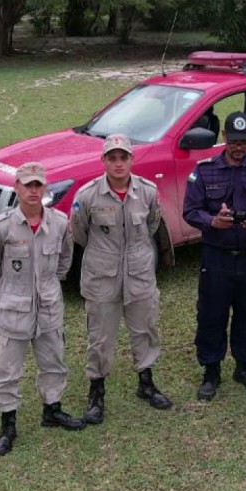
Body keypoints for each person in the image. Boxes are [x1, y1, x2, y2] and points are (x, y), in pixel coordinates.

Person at [0, 161, 85, 456]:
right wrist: (12, 287)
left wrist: (48, 285)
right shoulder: (1, 227)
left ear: (45, 187)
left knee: (53, 363)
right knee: (7, 371)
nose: (33, 190)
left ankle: (52, 410)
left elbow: (65, 261)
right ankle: (8, 424)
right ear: (17, 188)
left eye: (38, 185)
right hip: (14, 310)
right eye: (27, 185)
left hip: (49, 307)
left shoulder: (60, 224)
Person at [71, 134, 173, 425]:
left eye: (123, 157)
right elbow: (79, 233)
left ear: (132, 160)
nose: (118, 164)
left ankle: (146, 382)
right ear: (103, 161)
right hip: (102, 277)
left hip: (140, 274)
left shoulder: (148, 192)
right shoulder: (88, 195)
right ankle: (96, 392)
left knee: (145, 329)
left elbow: (153, 224)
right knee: (100, 338)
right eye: (112, 158)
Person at [182, 111, 246, 400]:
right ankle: (211, 371)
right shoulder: (205, 170)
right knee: (211, 315)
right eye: (234, 141)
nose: (239, 147)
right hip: (217, 257)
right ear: (224, 138)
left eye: (244, 141)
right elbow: (190, 210)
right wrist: (212, 221)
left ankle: (245, 367)